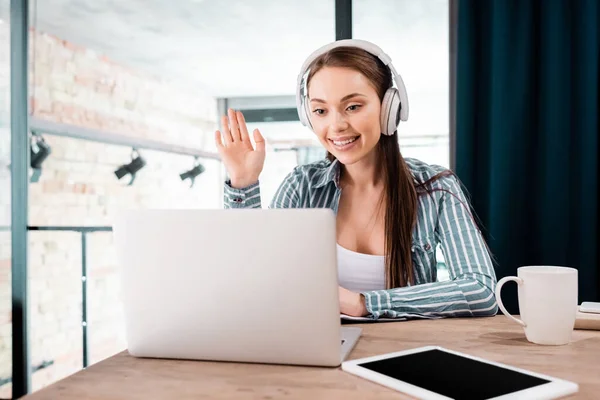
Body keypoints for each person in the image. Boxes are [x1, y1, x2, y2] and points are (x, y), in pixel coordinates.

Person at [214, 39, 498, 320]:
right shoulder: (302, 186)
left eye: (352, 107)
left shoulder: (435, 187)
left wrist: (364, 303)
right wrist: (243, 182)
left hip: (406, 350)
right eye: (320, 111)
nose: (336, 126)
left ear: (390, 108)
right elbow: (251, 276)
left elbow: (481, 291)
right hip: (314, 348)